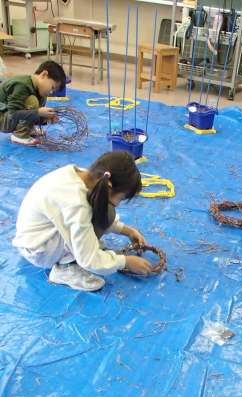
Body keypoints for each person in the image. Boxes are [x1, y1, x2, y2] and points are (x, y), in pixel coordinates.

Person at [13, 151, 153, 291]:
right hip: (39, 250)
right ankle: (65, 268)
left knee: (106, 208)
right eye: (121, 198)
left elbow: (101, 213)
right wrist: (125, 262)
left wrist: (128, 231)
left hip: (41, 235)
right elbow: (89, 259)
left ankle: (70, 253)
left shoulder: (88, 177)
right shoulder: (76, 203)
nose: (118, 204)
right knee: (102, 212)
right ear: (109, 186)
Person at [0, 60, 66, 146]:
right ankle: (20, 135)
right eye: (52, 87)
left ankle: (28, 129)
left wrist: (46, 118)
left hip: (9, 117)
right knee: (32, 101)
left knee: (41, 97)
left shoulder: (38, 90)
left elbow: (30, 114)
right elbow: (13, 114)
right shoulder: (21, 85)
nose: (51, 92)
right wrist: (38, 112)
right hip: (3, 118)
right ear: (44, 75)